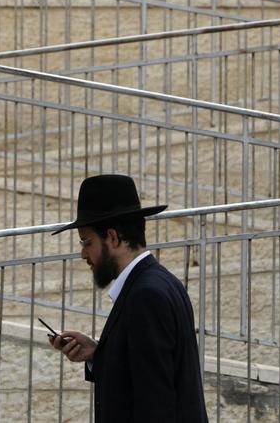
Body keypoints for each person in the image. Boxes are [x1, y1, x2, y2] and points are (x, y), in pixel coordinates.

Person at [49, 174, 209, 423]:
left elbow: (156, 399)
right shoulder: (159, 282)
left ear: (113, 237)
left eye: (86, 241)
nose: (83, 253)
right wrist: (98, 353)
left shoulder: (145, 295)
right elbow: (142, 371)